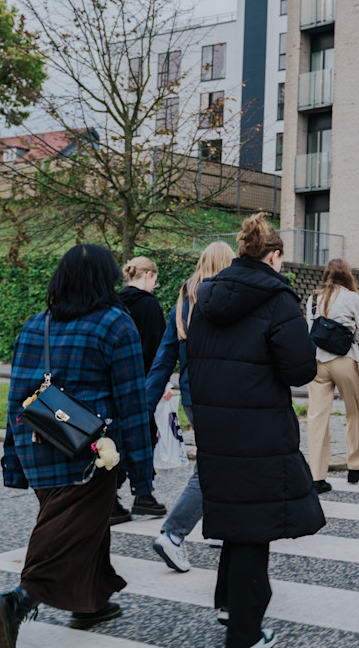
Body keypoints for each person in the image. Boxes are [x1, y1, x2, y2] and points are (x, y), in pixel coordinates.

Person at [0, 244, 155, 643]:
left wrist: (13, 460)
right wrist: (143, 478)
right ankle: (17, 602)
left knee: (78, 525)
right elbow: (132, 402)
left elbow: (16, 401)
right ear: (106, 279)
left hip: (38, 444)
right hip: (90, 452)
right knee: (65, 533)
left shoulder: (35, 325)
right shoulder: (116, 323)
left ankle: (90, 603)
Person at [187, 213, 325, 647]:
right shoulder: (277, 299)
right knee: (256, 526)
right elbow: (300, 369)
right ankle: (244, 634)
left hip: (215, 422)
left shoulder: (205, 298)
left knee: (234, 514)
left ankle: (229, 603)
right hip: (259, 425)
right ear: (274, 255)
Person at [145, 241, 235, 573]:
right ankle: (173, 533)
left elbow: (163, 359)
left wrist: (144, 406)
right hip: (222, 397)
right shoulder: (227, 303)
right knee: (211, 468)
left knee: (222, 462)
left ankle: (218, 527)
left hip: (192, 398)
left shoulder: (183, 303)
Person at [305, 258, 359, 493]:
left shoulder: (313, 298)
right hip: (344, 359)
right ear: (347, 275)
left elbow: (309, 330)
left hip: (318, 361)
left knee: (317, 417)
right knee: (355, 412)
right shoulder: (352, 298)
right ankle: (355, 467)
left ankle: (317, 476)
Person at [113, 256, 167, 523]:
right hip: (143, 383)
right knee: (144, 438)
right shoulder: (150, 306)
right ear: (147, 275)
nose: (155, 285)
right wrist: (163, 384)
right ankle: (143, 495)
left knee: (118, 440)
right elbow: (159, 351)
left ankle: (114, 496)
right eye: (155, 279)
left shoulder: (114, 303)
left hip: (116, 383)